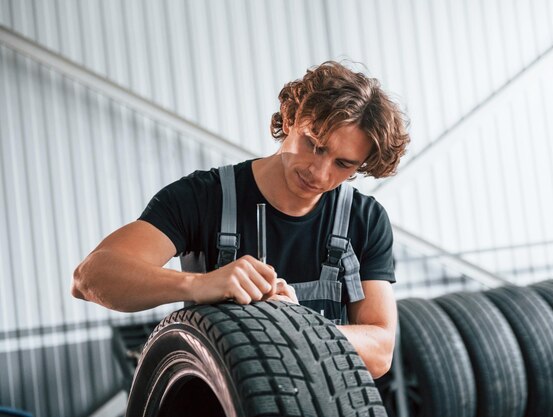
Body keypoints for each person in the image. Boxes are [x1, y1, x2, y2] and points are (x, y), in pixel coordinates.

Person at [72, 61, 410, 379]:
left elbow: (380, 351)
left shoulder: (363, 219)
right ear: (290, 117)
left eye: (343, 164)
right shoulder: (203, 198)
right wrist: (202, 285)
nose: (319, 173)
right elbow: (90, 278)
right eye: (314, 145)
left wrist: (298, 327)